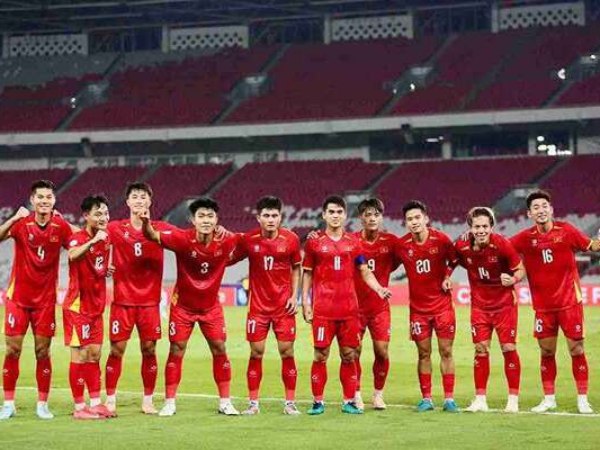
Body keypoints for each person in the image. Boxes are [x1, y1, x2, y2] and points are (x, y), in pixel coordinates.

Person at [141, 197, 240, 416]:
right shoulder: (181, 239)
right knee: (176, 349)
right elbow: (152, 236)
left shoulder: (227, 239)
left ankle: (225, 402)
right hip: (183, 308)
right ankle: (170, 402)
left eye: (210, 216)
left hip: (211, 308)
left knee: (220, 349)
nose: (206, 220)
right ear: (193, 220)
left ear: (217, 220)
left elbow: (248, 243)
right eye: (201, 216)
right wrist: (146, 223)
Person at [511, 190, 600, 414]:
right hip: (543, 307)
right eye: (536, 207)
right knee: (546, 352)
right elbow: (503, 248)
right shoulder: (525, 237)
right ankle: (549, 398)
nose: (541, 210)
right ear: (529, 214)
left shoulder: (566, 230)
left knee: (576, 349)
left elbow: (592, 246)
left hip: (570, 302)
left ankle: (582, 399)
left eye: (544, 206)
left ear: (551, 209)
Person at [302, 195, 392, 415]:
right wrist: (304, 301)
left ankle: (349, 401)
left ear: (345, 215)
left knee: (349, 355)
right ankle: (318, 402)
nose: (335, 216)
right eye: (331, 212)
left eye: (339, 212)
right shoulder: (314, 242)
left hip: (349, 310)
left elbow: (364, 270)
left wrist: (378, 288)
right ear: (324, 215)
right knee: (320, 355)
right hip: (323, 310)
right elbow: (308, 273)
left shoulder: (353, 243)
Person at [0, 180, 74, 420]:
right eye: (40, 197)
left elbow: (81, 239)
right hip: (18, 299)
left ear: (54, 200)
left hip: (45, 302)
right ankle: (8, 404)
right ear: (32, 200)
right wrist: (13, 217)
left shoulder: (60, 226)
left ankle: (42, 404)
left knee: (43, 351)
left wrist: (67, 222)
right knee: (13, 350)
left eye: (48, 197)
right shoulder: (22, 223)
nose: (44, 201)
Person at [104, 182, 174, 415]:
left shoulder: (161, 228)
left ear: (150, 201)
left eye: (143, 196)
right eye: (134, 196)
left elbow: (186, 239)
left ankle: (148, 400)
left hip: (149, 304)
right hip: (122, 303)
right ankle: (110, 399)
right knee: (116, 350)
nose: (139, 200)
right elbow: (89, 234)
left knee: (149, 350)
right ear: (127, 202)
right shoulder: (115, 228)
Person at [230, 196, 302, 415]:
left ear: (280, 217)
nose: (271, 219)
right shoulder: (249, 239)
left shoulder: (291, 239)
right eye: (266, 215)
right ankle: (253, 403)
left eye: (274, 215)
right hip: (258, 308)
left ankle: (290, 403)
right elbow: (229, 259)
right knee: (256, 353)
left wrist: (294, 296)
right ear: (258, 218)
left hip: (283, 307)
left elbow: (296, 267)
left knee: (287, 352)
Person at [455, 207, 524, 413]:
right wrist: (446, 276)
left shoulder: (502, 244)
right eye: (477, 227)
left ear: (491, 227)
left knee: (508, 348)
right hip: (479, 306)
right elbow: (452, 260)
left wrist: (513, 279)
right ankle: (480, 399)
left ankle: (513, 399)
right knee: (480, 349)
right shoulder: (462, 245)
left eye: (485, 226)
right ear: (470, 228)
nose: (481, 230)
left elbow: (520, 269)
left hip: (504, 305)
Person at [394, 200, 459, 412]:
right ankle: (427, 398)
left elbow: (454, 259)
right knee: (423, 354)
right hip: (418, 311)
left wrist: (447, 276)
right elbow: (385, 261)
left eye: (417, 218)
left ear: (426, 219)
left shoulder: (441, 239)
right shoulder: (402, 245)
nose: (414, 222)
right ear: (405, 223)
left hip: (442, 308)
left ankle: (449, 399)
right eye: (409, 219)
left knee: (446, 351)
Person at [63, 195, 115, 419]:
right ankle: (79, 407)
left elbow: (97, 264)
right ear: (86, 216)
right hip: (78, 307)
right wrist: (93, 242)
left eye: (105, 213)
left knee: (94, 354)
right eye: (98, 214)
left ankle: (95, 403)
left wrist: (105, 270)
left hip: (96, 308)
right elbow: (73, 254)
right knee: (80, 355)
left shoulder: (106, 238)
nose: (103, 217)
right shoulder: (78, 239)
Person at [352, 198, 399, 410]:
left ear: (381, 217)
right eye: (368, 214)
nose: (372, 218)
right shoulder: (352, 241)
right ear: (361, 218)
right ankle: (356, 393)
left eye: (376, 215)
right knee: (354, 351)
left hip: (380, 308)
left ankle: (378, 394)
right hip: (355, 308)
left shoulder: (391, 242)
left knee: (382, 351)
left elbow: (409, 252)